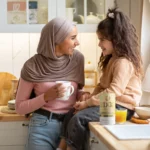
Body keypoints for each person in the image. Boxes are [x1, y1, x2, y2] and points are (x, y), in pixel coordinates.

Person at [58, 7, 143, 150]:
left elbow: (113, 92)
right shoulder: (112, 60)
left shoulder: (123, 62)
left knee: (79, 119)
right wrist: (89, 99)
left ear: (116, 39)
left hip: (122, 107)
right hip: (109, 103)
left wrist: (88, 104)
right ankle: (61, 148)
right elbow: (102, 86)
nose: (99, 44)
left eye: (102, 39)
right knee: (71, 113)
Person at [15, 17, 89, 150]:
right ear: (57, 38)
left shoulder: (77, 59)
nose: (77, 42)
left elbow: (76, 91)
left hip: (72, 125)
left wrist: (82, 95)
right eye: (72, 38)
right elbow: (20, 108)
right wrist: (45, 97)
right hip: (42, 127)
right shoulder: (33, 65)